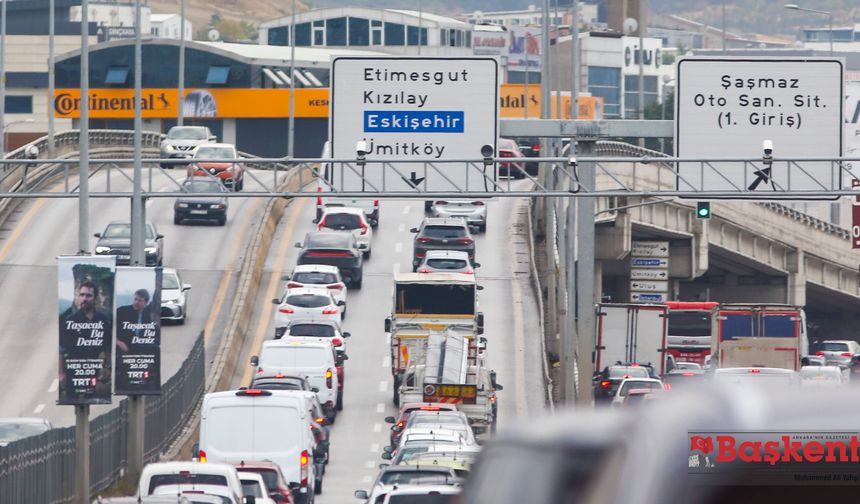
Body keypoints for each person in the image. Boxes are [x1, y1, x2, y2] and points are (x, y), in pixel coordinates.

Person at [58, 280, 113, 401]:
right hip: (73, 369)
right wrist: (61, 373)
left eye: (88, 295)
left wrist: (107, 366)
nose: (84, 298)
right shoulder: (70, 320)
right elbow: (61, 349)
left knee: (93, 398)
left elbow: (107, 346)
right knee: (72, 400)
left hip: (94, 369)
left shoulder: (102, 320)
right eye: (82, 295)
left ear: (95, 298)